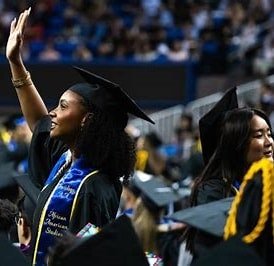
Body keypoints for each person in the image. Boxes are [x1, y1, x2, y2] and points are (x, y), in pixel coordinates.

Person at [6, 8, 154, 266]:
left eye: (63, 106)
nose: (53, 113)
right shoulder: (67, 160)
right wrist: (16, 63)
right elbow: (39, 123)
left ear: (86, 120)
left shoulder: (95, 187)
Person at [184, 87, 274, 261]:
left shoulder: (265, 182)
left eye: (269, 133)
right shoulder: (213, 192)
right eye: (259, 135)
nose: (269, 141)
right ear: (238, 144)